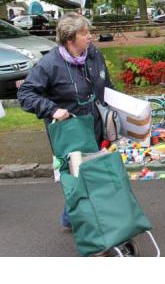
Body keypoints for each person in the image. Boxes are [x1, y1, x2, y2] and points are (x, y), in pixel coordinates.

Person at [17, 12, 112, 229]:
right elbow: (25, 94)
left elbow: (106, 85)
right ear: (70, 39)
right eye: (84, 33)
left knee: (89, 173)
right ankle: (86, 224)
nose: (90, 36)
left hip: (94, 125)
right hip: (69, 130)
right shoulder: (50, 64)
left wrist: (119, 110)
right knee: (77, 176)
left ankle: (73, 218)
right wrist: (52, 110)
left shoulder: (93, 54)